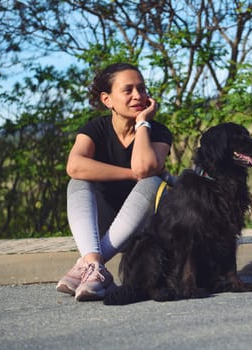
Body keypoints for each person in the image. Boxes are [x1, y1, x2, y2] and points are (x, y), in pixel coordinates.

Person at [56, 63, 173, 301]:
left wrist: (142, 122)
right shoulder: (95, 128)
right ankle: (95, 267)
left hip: (146, 229)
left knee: (151, 182)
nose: (138, 96)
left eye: (141, 88)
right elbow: (74, 166)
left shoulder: (158, 131)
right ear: (107, 99)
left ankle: (89, 265)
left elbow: (145, 168)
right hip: (105, 224)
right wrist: (131, 174)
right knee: (78, 182)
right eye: (128, 90)